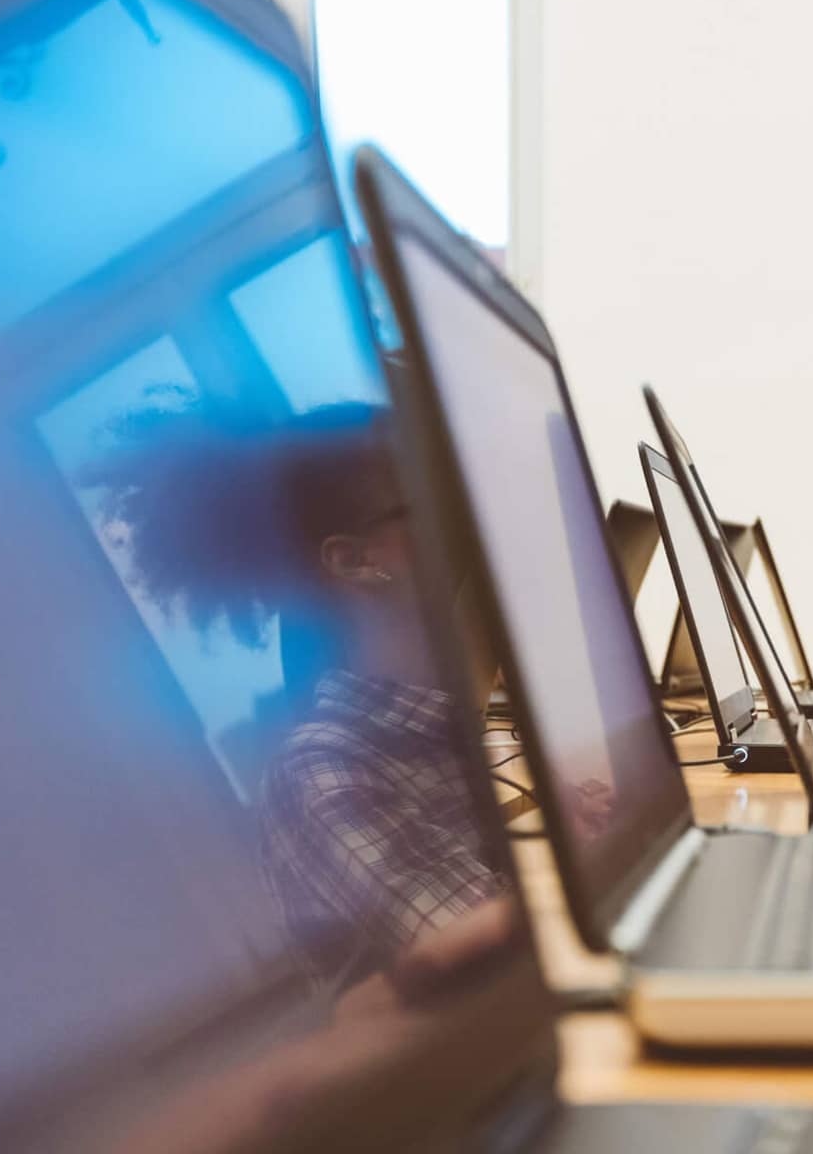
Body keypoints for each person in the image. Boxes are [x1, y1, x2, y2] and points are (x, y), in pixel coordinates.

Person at [89, 398, 505, 987]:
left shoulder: (470, 718)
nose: (467, 511)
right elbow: (506, 962)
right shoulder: (322, 772)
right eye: (431, 498)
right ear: (358, 562)